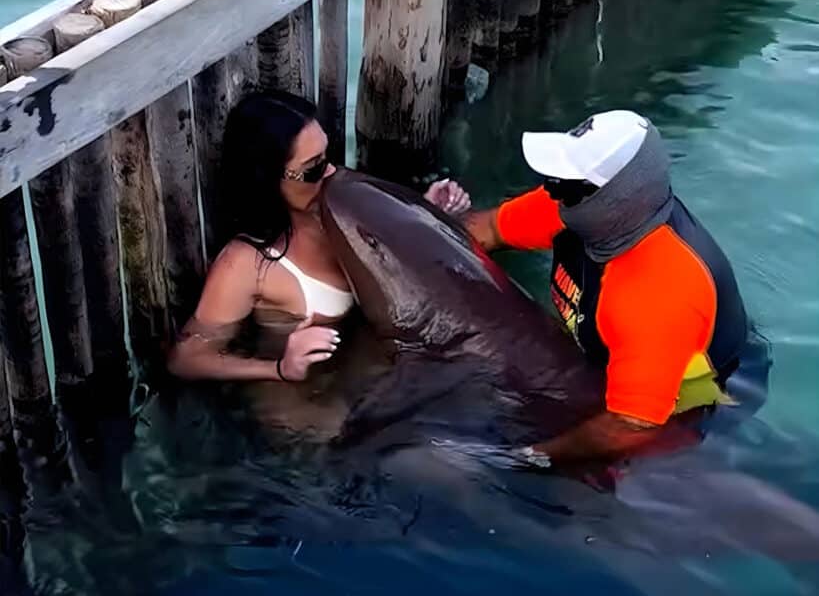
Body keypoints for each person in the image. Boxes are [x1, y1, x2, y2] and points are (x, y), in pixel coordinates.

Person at [464, 110, 757, 465]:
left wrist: (526, 458)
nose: (551, 190)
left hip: (693, 401)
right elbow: (491, 229)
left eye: (565, 184)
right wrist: (425, 216)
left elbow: (632, 426)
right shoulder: (573, 206)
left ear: (612, 201)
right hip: (614, 355)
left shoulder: (659, 294)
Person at [167, 90, 471, 384]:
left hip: (366, 367)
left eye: (328, 156)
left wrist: (427, 216)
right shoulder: (246, 265)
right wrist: (280, 369)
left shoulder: (346, 204)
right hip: (300, 397)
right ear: (267, 178)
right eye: (313, 169)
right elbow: (186, 358)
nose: (331, 173)